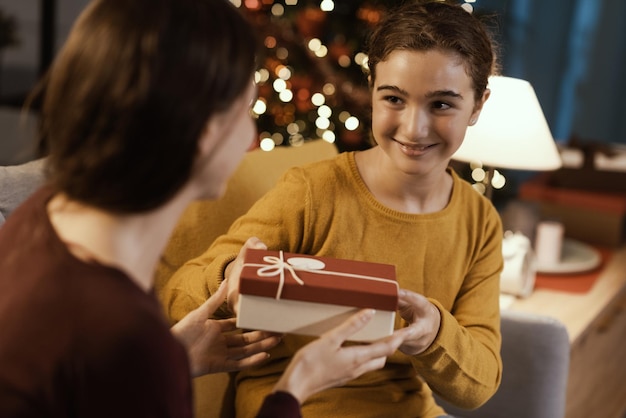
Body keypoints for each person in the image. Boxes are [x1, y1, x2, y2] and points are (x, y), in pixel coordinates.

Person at [0, 0, 412, 416]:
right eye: (246, 111)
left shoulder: (43, 214)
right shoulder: (126, 335)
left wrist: (176, 354)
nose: (250, 137)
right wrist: (295, 385)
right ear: (204, 133)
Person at [162, 1, 504, 417]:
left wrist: (433, 330)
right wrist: (231, 275)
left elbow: (480, 385)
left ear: (479, 104)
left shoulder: (480, 222)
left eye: (442, 104)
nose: (414, 128)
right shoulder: (312, 191)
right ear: (372, 86)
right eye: (394, 98)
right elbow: (179, 294)